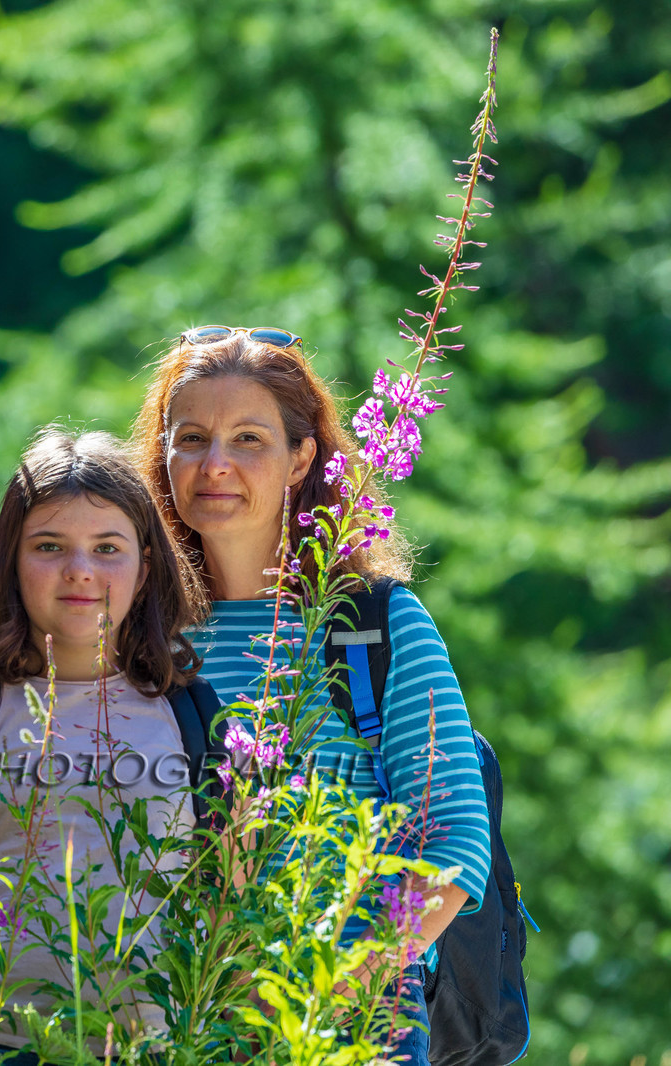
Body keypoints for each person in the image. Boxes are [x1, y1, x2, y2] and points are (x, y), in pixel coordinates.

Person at [130, 325, 493, 1063]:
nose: (215, 464)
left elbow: (454, 845)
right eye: (191, 437)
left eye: (249, 440)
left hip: (350, 1023)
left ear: (302, 457)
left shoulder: (371, 624)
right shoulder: (138, 633)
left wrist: (327, 992)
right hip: (178, 1019)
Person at [0, 430, 211, 1066]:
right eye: (49, 546)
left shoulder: (202, 723)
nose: (80, 569)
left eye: (108, 547)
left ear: (146, 565)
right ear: (9, 563)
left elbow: (234, 921)